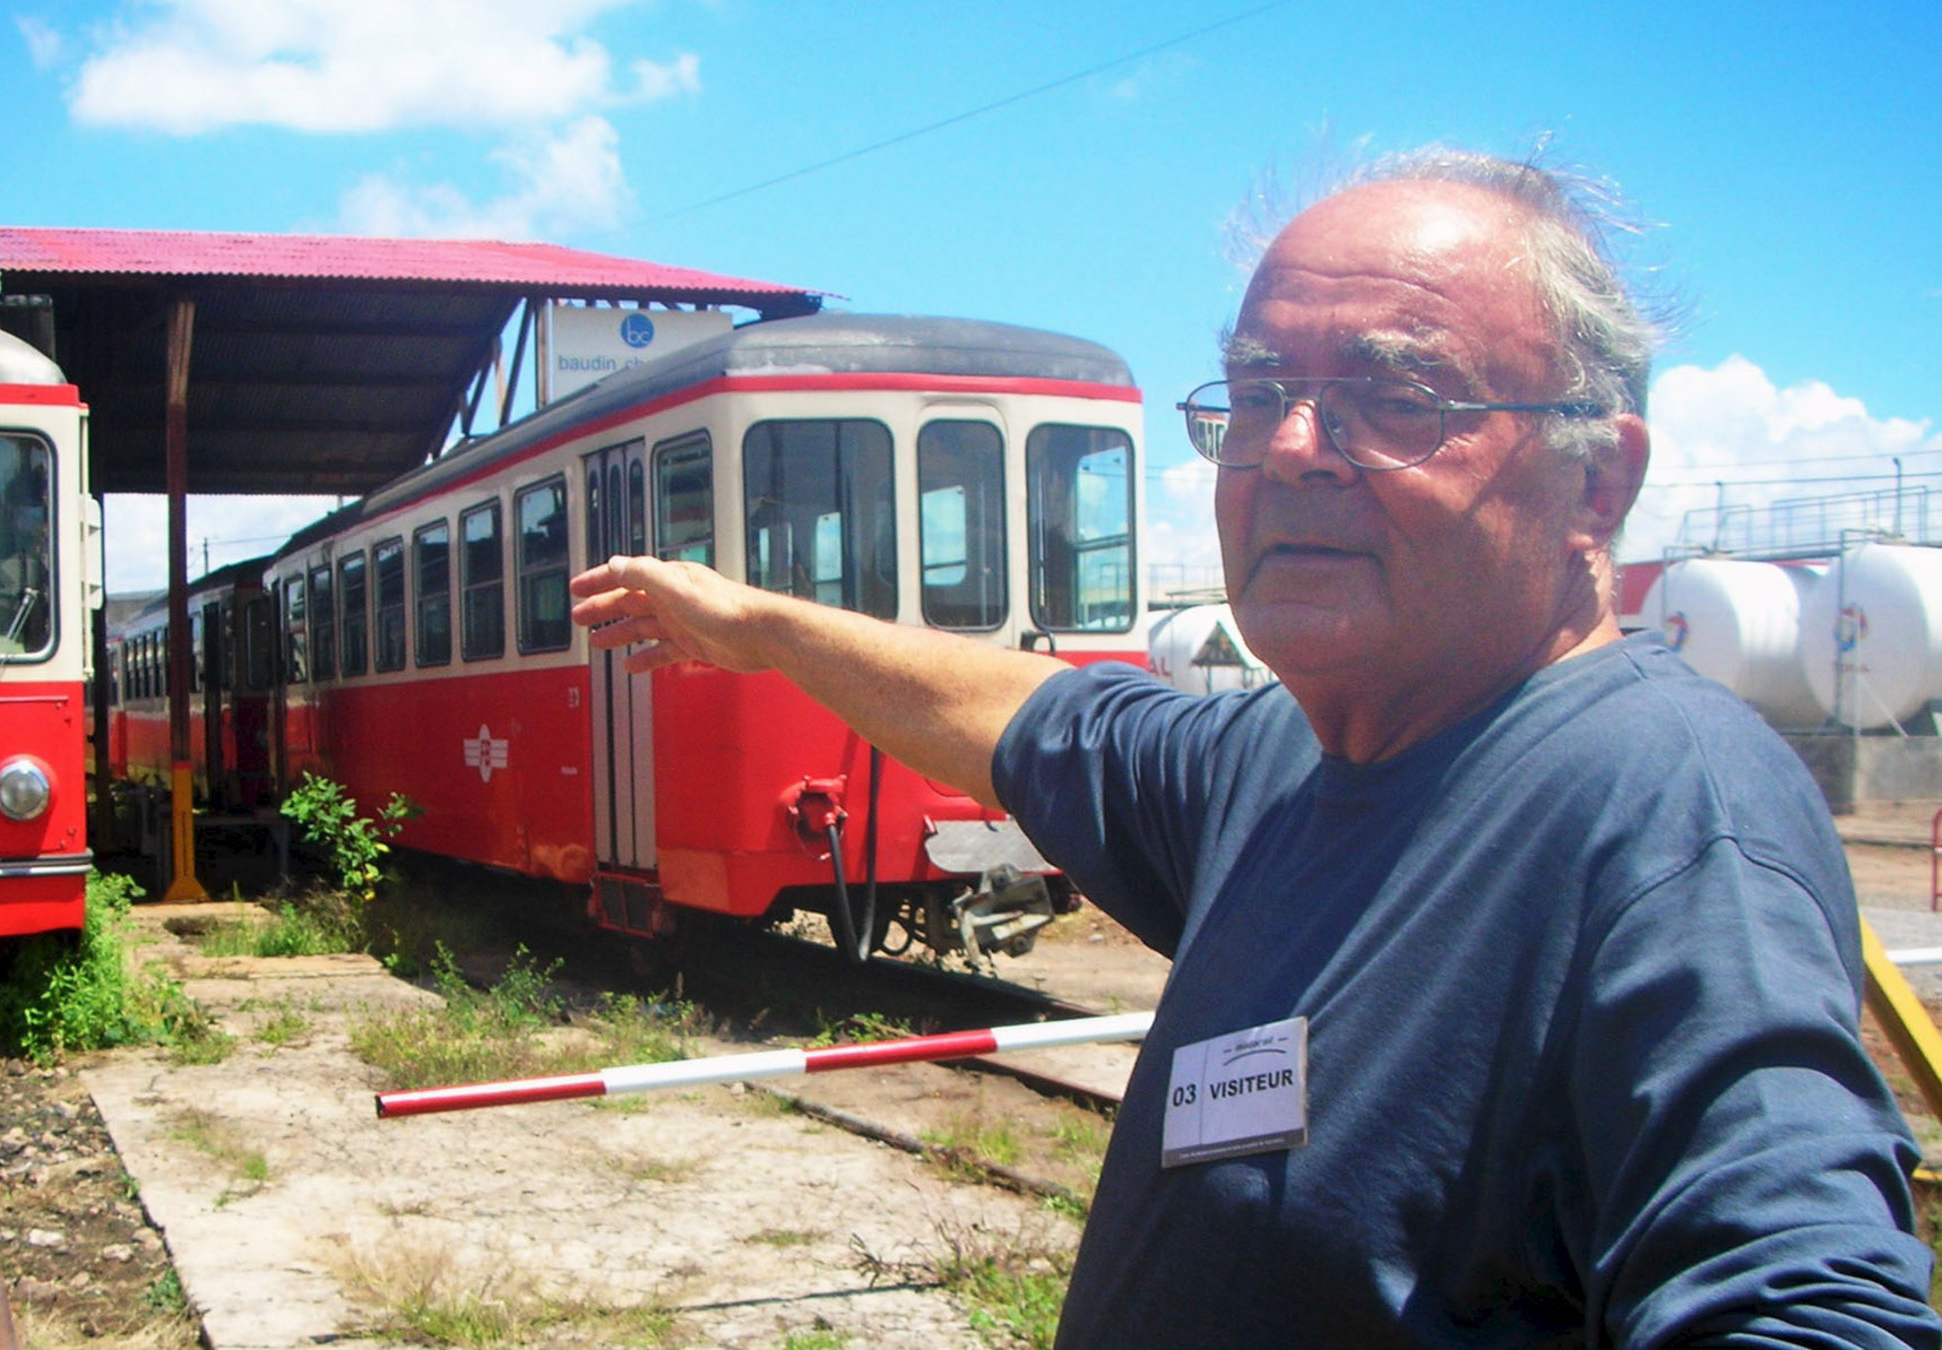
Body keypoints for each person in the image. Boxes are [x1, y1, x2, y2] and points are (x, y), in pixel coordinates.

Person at [569, 149, 1942, 1347]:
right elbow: (1030, 719)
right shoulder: (1284, 763)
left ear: (1599, 480)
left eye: (1400, 396)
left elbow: (1805, 1286)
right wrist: (756, 624)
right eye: (1257, 386)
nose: (1292, 446)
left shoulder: (1660, 807)